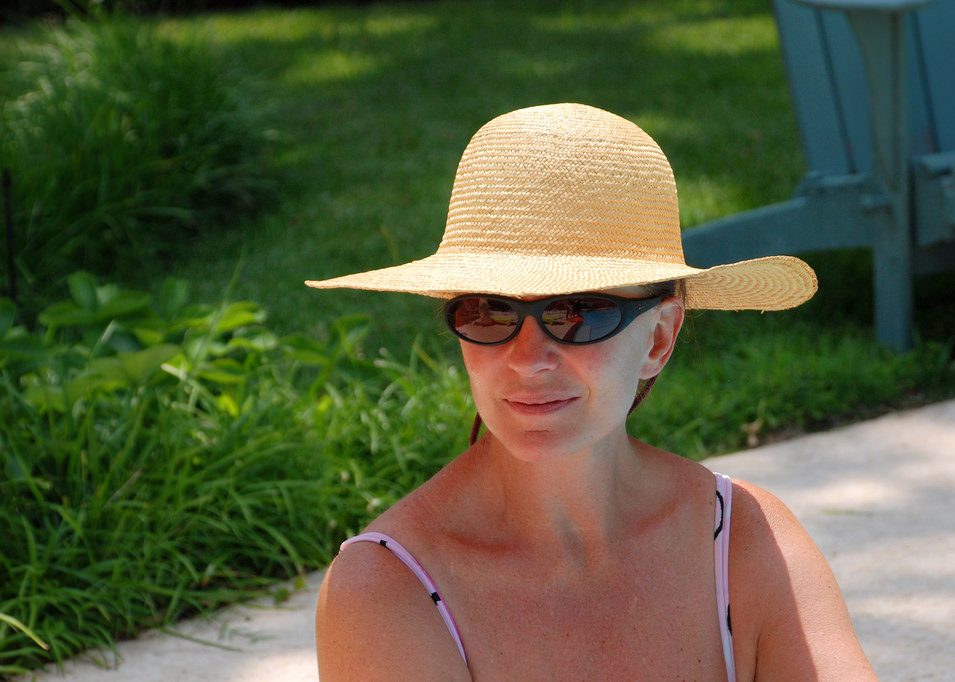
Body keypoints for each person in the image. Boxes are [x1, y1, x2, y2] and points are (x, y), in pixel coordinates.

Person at [307, 103, 876, 681]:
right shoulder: (388, 589)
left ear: (659, 337)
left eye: (578, 312)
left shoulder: (743, 539)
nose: (528, 360)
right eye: (488, 312)